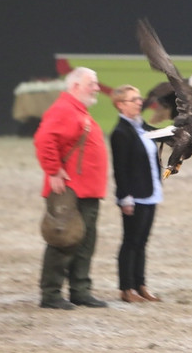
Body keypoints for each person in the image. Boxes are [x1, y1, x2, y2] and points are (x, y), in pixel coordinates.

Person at [34, 66, 109, 310]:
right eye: (92, 83)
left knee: (84, 242)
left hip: (86, 190)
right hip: (69, 190)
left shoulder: (77, 110)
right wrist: (53, 169)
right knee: (63, 239)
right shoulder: (63, 109)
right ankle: (51, 293)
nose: (97, 88)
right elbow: (44, 139)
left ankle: (80, 290)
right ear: (75, 86)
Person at [109, 84, 164, 304]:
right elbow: (120, 169)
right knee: (130, 241)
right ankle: (126, 288)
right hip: (134, 196)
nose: (139, 102)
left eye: (139, 98)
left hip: (150, 191)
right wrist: (125, 196)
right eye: (133, 99)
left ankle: (141, 285)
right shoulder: (120, 132)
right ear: (121, 105)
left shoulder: (143, 128)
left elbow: (165, 136)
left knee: (142, 241)